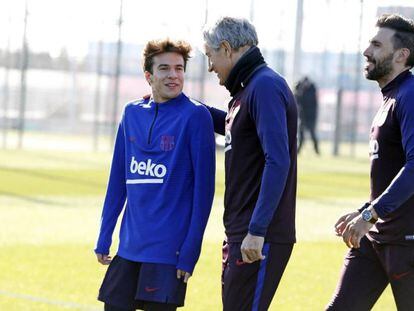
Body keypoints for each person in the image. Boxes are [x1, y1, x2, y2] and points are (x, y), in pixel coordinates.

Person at [94, 39, 215, 311]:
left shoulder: (196, 117)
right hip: (128, 249)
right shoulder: (131, 112)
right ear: (149, 76)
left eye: (179, 68)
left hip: (167, 255)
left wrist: (190, 251)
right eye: (164, 69)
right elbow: (117, 182)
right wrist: (105, 233)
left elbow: (204, 193)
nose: (173, 75)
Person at [203, 17, 297, 311]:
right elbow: (234, 128)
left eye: (210, 56)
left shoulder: (264, 86)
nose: (209, 67)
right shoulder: (246, 90)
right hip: (242, 232)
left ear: (227, 49)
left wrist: (257, 230)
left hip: (258, 236)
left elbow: (277, 160)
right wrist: (185, 105)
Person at [327, 14, 414, 310]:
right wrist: (366, 211)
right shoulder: (391, 97)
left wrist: (370, 215)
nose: (367, 51)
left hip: (406, 242)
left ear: (402, 55)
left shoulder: (410, 95)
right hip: (378, 236)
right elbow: (391, 172)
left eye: (377, 45)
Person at [294, 76, 320, 154]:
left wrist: (301, 91)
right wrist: (299, 89)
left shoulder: (312, 90)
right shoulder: (299, 89)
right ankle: (298, 150)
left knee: (312, 134)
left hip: (310, 116)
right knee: (301, 135)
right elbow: (296, 98)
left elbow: (308, 101)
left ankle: (317, 150)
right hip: (302, 116)